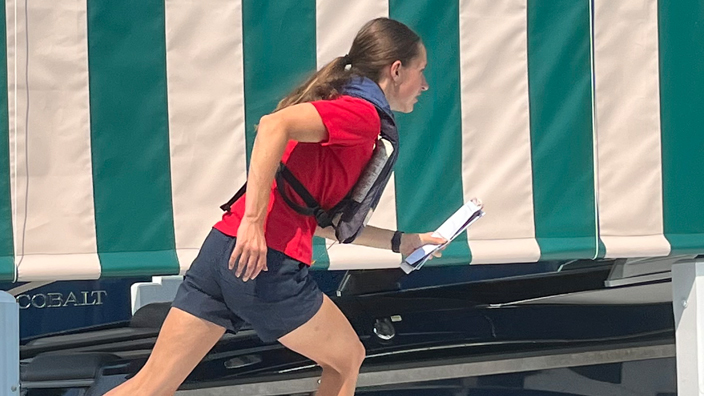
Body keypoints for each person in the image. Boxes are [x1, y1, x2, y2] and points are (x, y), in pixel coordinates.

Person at [107, 17, 477, 396]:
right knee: (347, 358)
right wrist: (253, 222)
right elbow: (272, 125)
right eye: (422, 71)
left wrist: (404, 241)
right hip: (264, 263)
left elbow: (317, 221)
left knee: (150, 385)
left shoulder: (338, 107)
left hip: (222, 250)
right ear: (396, 70)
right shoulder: (363, 115)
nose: (426, 84)